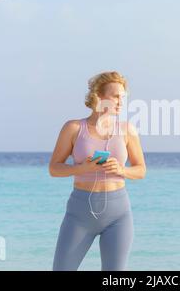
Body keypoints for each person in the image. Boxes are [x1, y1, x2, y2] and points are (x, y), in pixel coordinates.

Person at [49, 71, 146, 271]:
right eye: (115, 96)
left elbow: (141, 170)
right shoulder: (74, 128)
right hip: (79, 213)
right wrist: (82, 168)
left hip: (118, 214)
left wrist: (121, 170)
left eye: (123, 97)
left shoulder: (127, 130)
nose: (121, 102)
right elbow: (54, 168)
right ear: (98, 97)